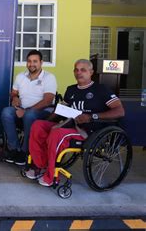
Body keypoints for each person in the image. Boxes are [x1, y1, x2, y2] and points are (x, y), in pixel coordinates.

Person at [26, 59, 125, 187]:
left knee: (57, 133)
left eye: (83, 70)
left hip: (90, 131)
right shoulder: (71, 89)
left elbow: (120, 111)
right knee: (38, 125)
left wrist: (91, 116)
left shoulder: (101, 89)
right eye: (76, 70)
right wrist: (47, 121)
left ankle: (50, 176)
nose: (79, 73)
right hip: (70, 125)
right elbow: (61, 110)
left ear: (91, 72)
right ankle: (41, 166)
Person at [1, 50, 57, 165]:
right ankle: (14, 149)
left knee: (29, 115)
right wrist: (15, 97)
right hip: (22, 108)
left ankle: (25, 152)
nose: (31, 64)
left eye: (35, 61)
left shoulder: (49, 77)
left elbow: (48, 100)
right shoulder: (21, 76)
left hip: (42, 111)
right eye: (29, 61)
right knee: (6, 112)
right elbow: (14, 92)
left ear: (41, 62)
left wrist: (26, 111)